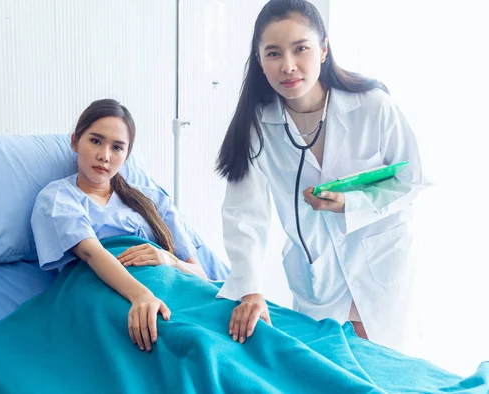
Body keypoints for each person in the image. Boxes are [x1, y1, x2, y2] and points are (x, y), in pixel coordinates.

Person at [215, 0, 425, 351]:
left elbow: (411, 180)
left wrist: (351, 203)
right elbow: (243, 214)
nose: (288, 66)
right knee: (325, 371)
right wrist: (250, 289)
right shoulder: (257, 126)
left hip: (381, 267)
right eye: (273, 53)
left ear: (324, 49)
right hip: (319, 277)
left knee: (384, 368)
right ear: (259, 61)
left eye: (301, 49)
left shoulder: (373, 105)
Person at [31, 99, 207, 352]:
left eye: (117, 148)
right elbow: (92, 253)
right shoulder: (59, 197)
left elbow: (200, 274)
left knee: (239, 327)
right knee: (189, 343)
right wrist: (141, 296)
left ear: (126, 156)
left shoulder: (153, 200)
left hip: (174, 290)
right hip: (108, 296)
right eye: (95, 141)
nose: (104, 155)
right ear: (74, 142)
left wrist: (169, 259)